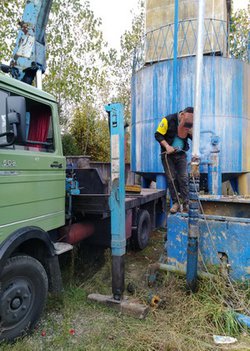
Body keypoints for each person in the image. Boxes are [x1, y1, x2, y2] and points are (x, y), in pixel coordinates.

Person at [155, 107, 194, 214]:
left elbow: (194, 138)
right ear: (181, 115)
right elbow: (158, 135)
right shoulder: (167, 120)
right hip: (168, 156)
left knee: (184, 178)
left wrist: (192, 132)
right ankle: (176, 202)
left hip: (181, 155)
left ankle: (186, 203)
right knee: (171, 178)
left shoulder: (189, 123)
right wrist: (167, 146)